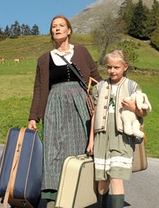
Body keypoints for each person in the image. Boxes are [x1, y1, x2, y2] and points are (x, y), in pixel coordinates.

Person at [27, 15, 102, 207]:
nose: (57, 29)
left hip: (80, 106)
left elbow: (97, 80)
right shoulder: (44, 59)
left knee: (80, 148)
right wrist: (33, 116)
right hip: (54, 106)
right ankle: (53, 197)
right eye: (53, 26)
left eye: (61, 25)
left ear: (69, 30)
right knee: (53, 151)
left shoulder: (82, 52)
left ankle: (80, 195)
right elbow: (38, 88)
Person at [87, 49, 148, 208]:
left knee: (116, 177)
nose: (112, 71)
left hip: (122, 136)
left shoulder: (132, 86)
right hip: (102, 136)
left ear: (125, 67)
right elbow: (94, 114)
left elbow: (143, 112)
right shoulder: (99, 87)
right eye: (109, 67)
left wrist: (133, 108)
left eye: (116, 67)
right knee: (102, 181)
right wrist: (91, 140)